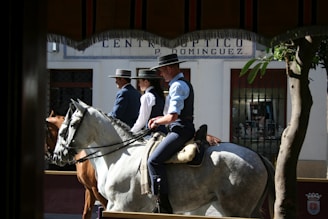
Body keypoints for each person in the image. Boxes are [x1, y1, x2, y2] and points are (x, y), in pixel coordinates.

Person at [147, 54, 195, 214]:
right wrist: (158, 118)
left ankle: (163, 204)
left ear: (170, 68)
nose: (161, 74)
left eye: (162, 70)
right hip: (181, 127)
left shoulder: (177, 86)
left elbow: (173, 116)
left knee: (153, 161)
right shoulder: (180, 83)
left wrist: (156, 122)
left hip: (180, 129)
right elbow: (173, 115)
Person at [130, 69, 167, 135]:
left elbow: (142, 120)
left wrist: (132, 132)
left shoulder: (147, 96)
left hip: (152, 133)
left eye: (140, 81)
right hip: (163, 131)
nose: (138, 84)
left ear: (146, 82)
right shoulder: (160, 95)